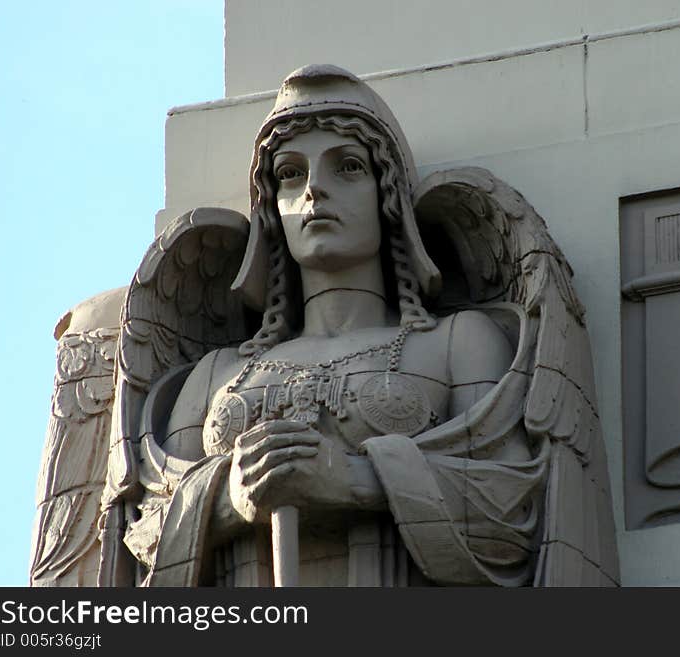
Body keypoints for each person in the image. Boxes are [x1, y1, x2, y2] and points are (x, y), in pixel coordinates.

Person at [103, 64, 617, 587]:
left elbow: (509, 515)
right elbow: (145, 545)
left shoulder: (456, 343)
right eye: (290, 174)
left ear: (388, 193)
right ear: (270, 209)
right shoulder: (216, 373)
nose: (314, 192)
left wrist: (354, 478)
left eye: (346, 167)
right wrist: (228, 497)